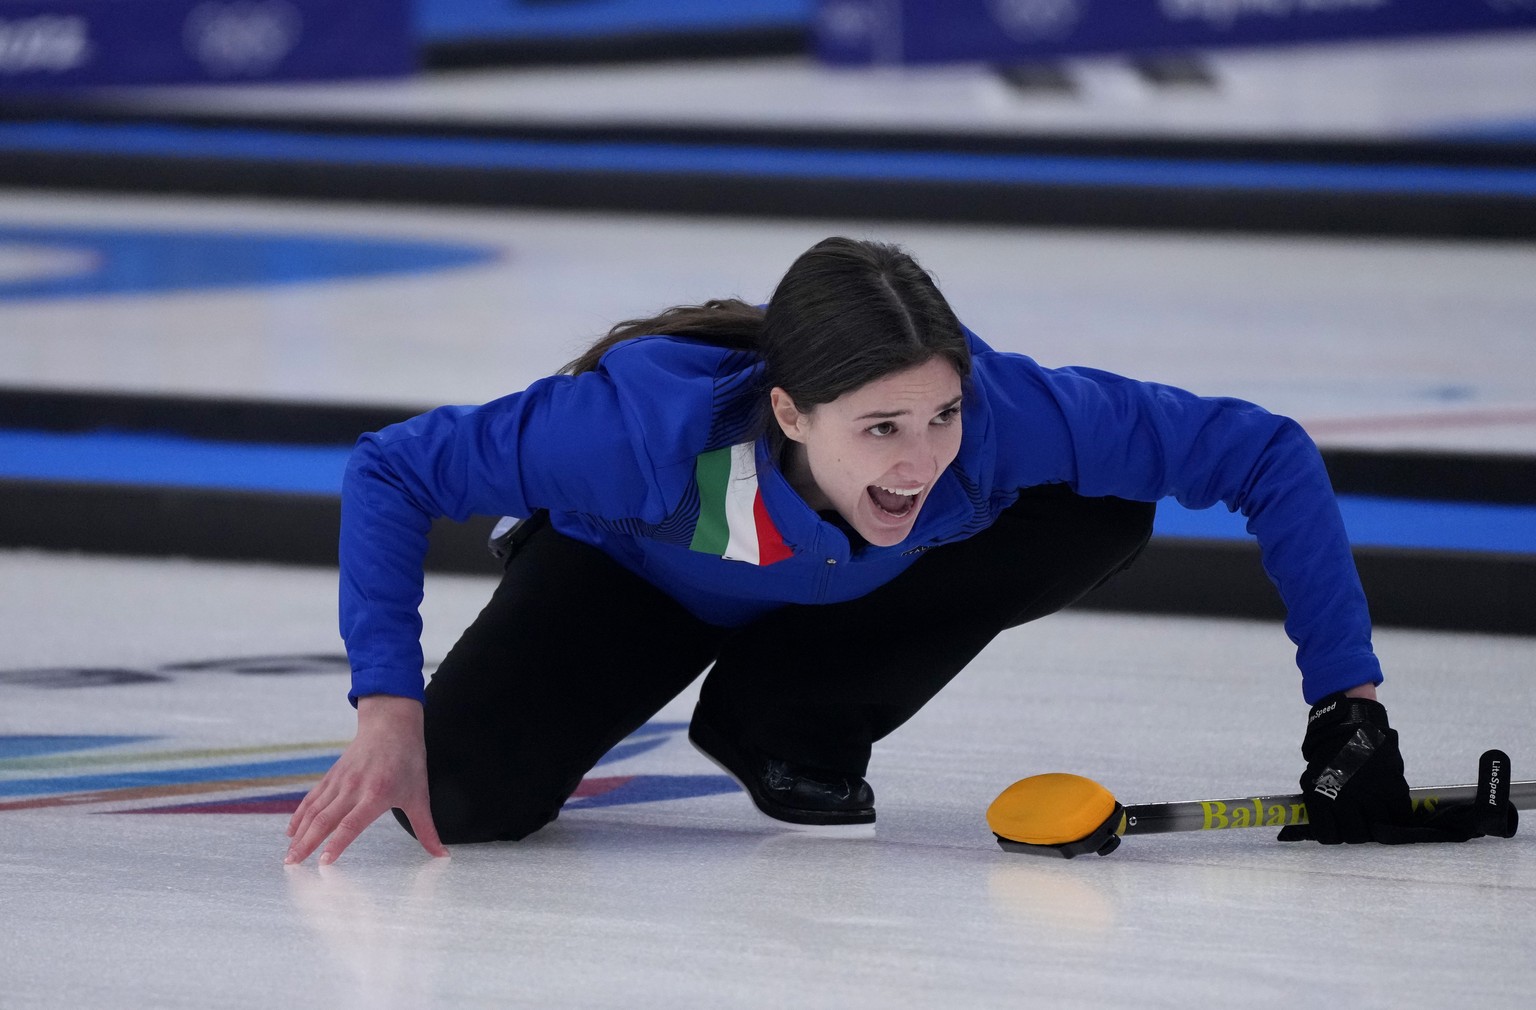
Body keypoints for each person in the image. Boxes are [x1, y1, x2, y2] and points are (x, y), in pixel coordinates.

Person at [283, 236, 1423, 866]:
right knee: (464, 798)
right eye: (880, 427)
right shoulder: (634, 433)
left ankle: (782, 717)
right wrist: (388, 707)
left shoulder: (1005, 418)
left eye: (940, 416)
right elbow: (393, 467)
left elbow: (1265, 452)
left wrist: (1348, 702)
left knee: (1105, 504)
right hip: (632, 579)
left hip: (841, 592)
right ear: (788, 413)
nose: (920, 459)